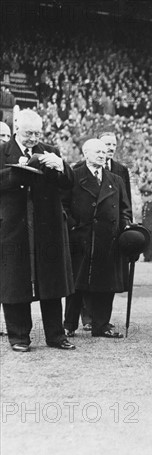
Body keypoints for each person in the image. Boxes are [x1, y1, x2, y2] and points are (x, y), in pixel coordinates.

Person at [0, 108, 75, 352]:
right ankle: (19, 336)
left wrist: (62, 166)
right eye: (29, 133)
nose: (34, 138)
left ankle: (56, 335)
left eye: (37, 133)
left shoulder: (50, 151)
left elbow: (68, 185)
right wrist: (16, 171)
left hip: (46, 227)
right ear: (17, 128)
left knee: (51, 280)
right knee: (15, 281)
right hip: (14, 226)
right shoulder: (2, 152)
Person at [62, 138, 132, 339]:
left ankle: (101, 325)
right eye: (97, 152)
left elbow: (124, 209)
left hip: (107, 239)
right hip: (81, 238)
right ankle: (69, 325)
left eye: (104, 152)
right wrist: (73, 225)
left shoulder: (115, 180)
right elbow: (63, 205)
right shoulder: (74, 176)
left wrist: (126, 228)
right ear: (86, 154)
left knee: (105, 284)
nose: (102, 155)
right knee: (76, 284)